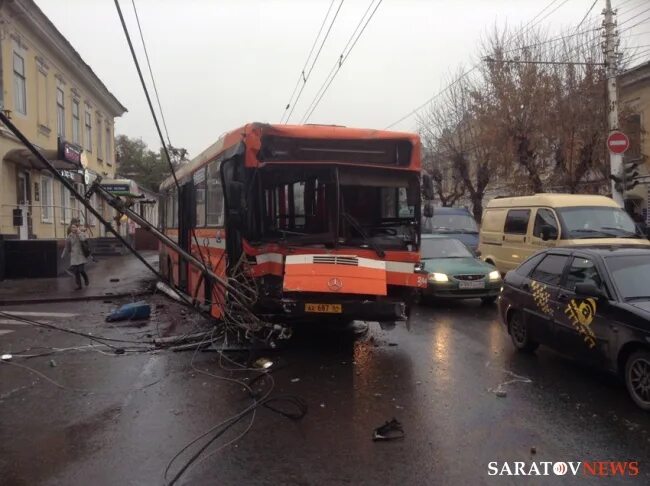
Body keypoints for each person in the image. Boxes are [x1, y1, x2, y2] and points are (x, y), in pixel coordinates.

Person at [61, 223, 89, 290]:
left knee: (81, 270)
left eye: (74, 227)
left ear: (77, 227)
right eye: (72, 227)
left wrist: (79, 233)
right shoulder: (69, 236)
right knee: (76, 272)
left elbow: (83, 239)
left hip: (80, 255)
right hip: (73, 256)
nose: (73, 229)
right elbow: (66, 246)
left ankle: (86, 278)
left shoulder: (81, 234)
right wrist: (63, 254)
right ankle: (79, 285)